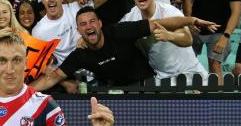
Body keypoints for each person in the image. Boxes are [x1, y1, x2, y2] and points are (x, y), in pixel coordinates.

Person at [30, 6, 218, 91]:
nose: (88, 26)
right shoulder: (80, 55)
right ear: (78, 30)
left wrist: (192, 20)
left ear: (100, 24)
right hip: (116, 92)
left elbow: (157, 23)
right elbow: (53, 77)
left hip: (146, 86)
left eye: (92, 22)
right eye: (83, 24)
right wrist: (23, 93)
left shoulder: (119, 31)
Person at [120, 0, 208, 85]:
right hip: (161, 79)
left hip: (190, 74)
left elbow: (187, 39)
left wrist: (169, 36)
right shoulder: (129, 18)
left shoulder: (169, 12)